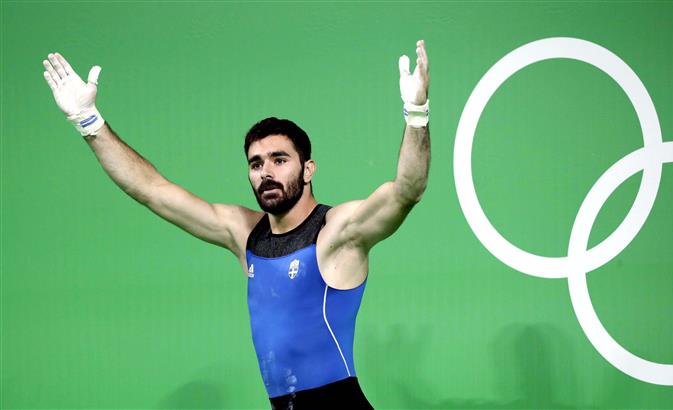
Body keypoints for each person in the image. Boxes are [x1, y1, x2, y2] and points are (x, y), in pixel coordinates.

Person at [42, 39, 430, 409]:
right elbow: (152, 191)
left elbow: (406, 191)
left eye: (280, 160)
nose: (266, 172)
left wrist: (416, 114)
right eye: (256, 163)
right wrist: (89, 122)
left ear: (308, 169)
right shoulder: (245, 233)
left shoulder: (337, 231)